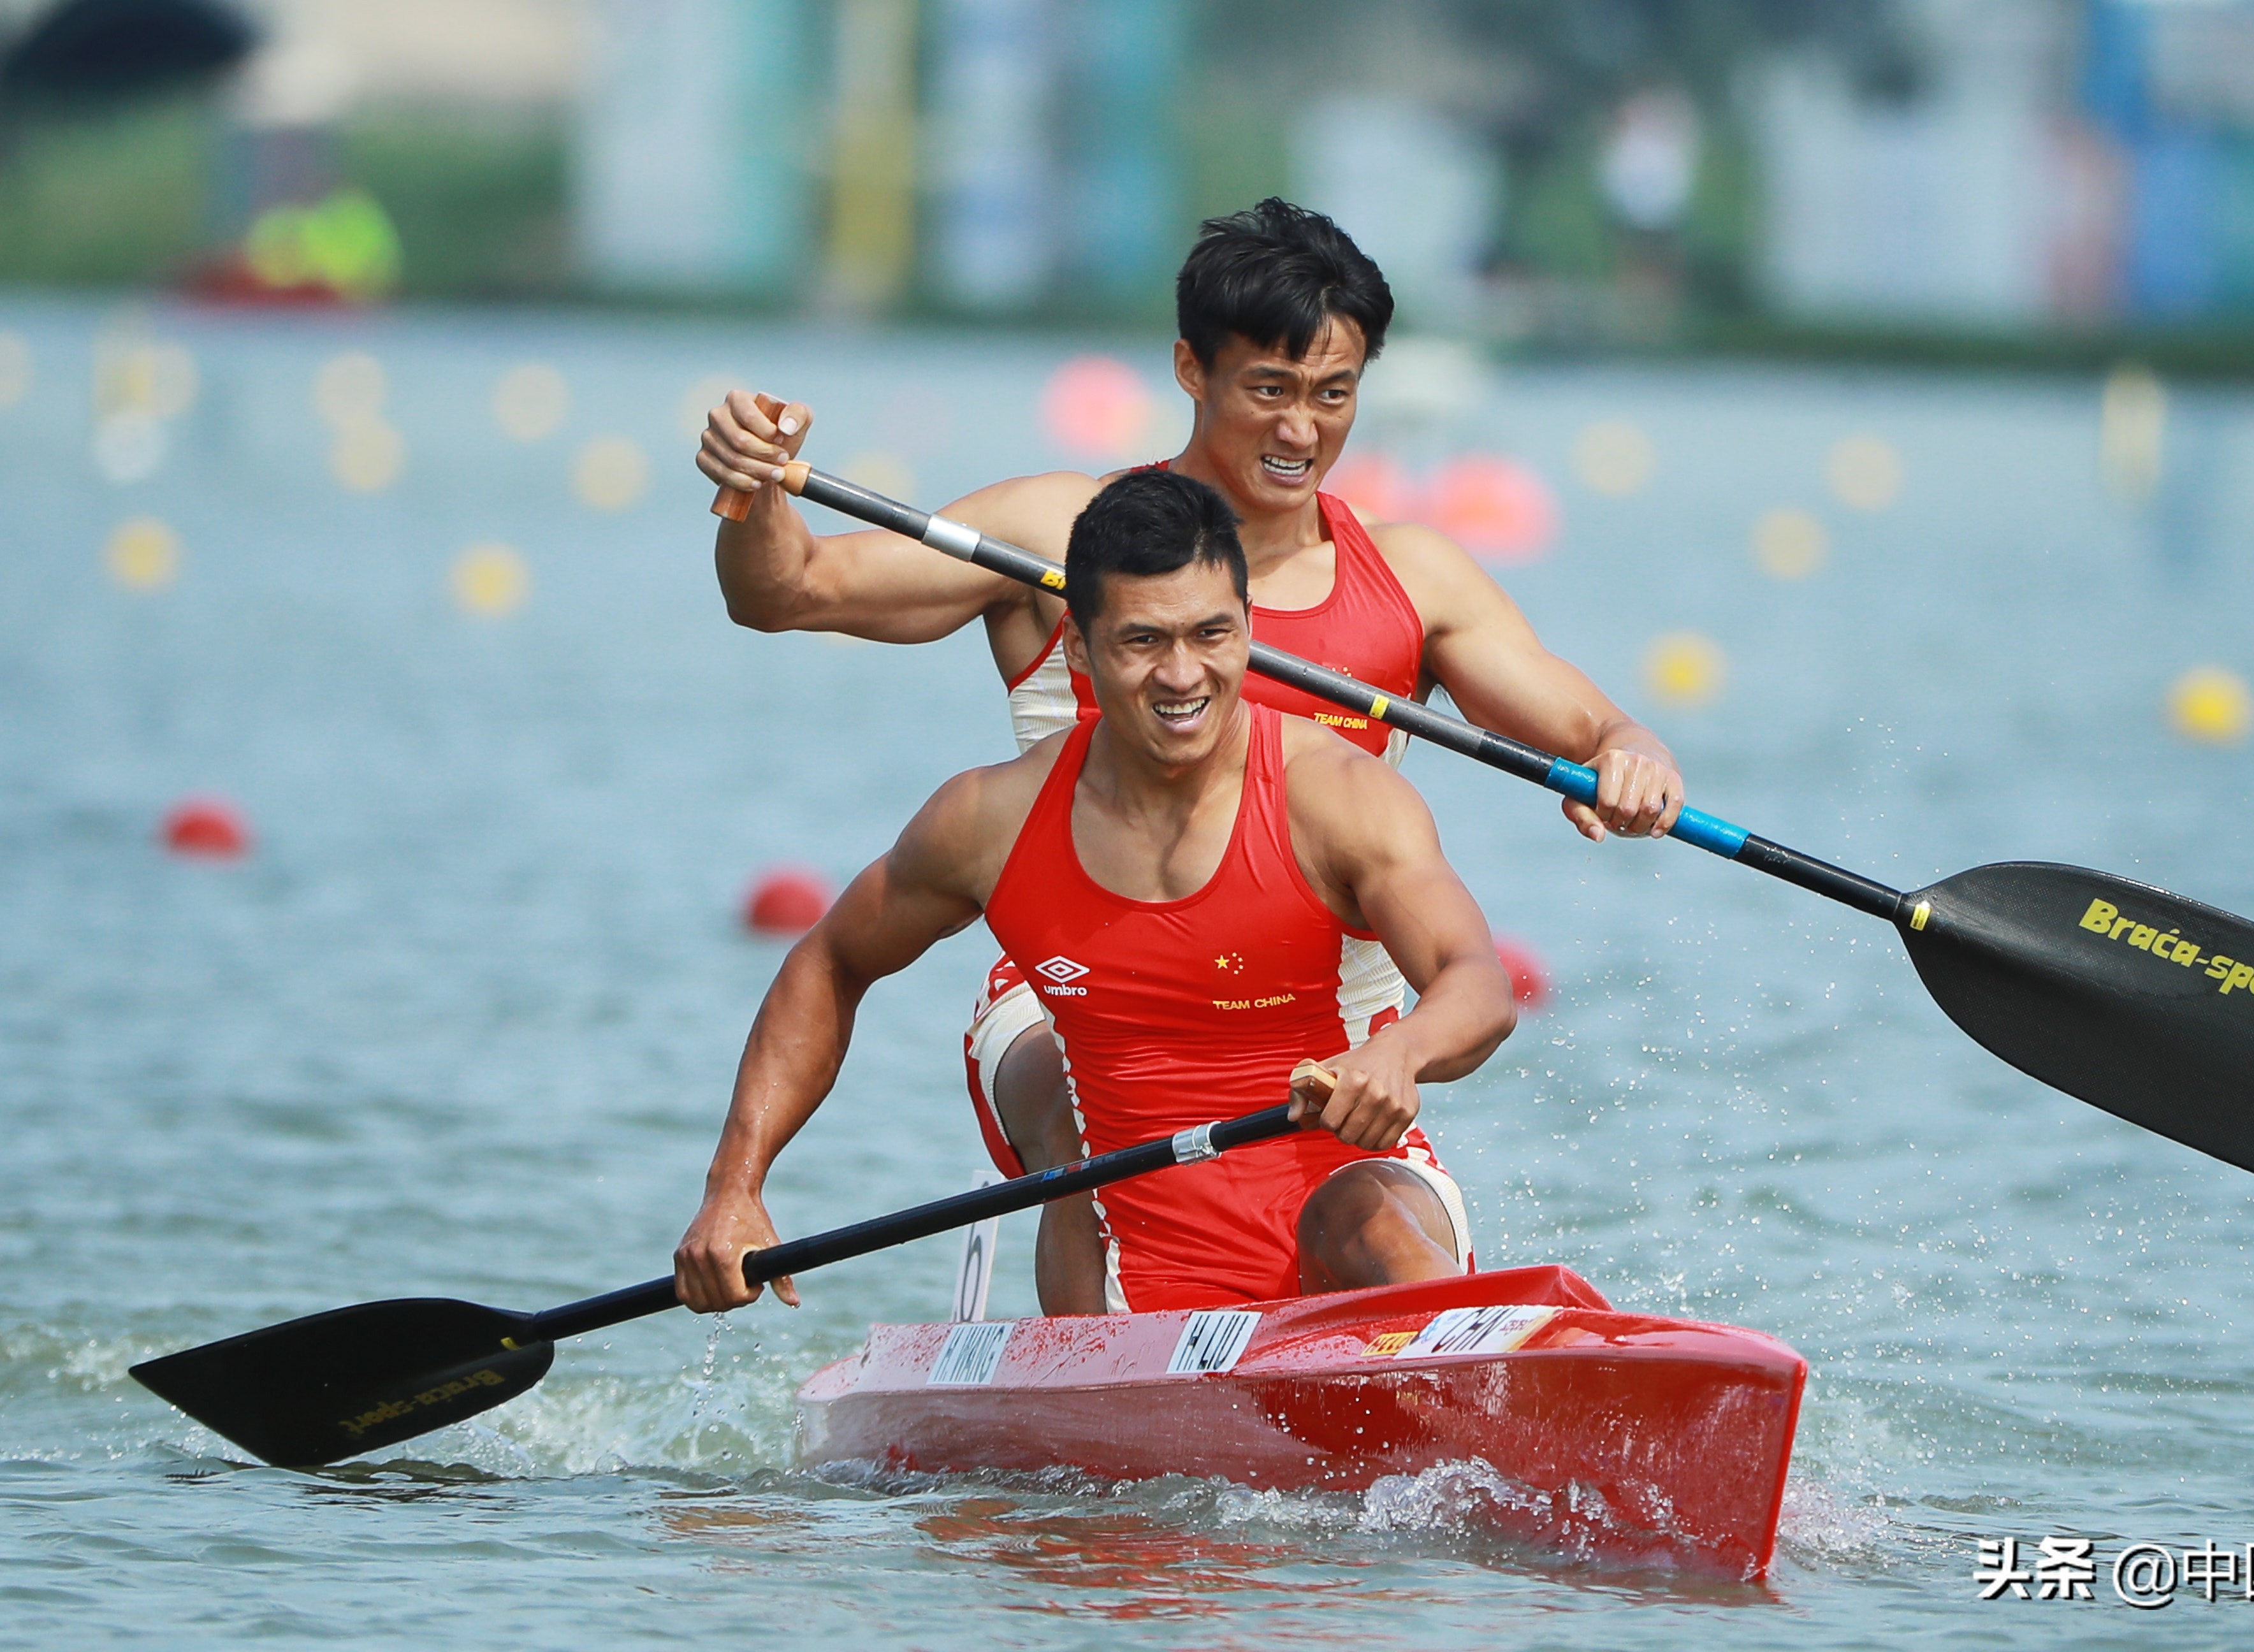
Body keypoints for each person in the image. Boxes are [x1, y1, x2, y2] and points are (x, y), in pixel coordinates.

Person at [696, 198, 1676, 1309]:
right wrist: (756, 494)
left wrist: (1631, 753)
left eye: (1334, 395)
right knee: (1072, 1116)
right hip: (1077, 990)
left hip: (1320, 1017)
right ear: (1189, 370)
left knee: (1375, 1231)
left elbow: (1594, 732)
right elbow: (792, 592)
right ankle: (1087, 1393)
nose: (1301, 432)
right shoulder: (1056, 531)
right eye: (1269, 390)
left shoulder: (1415, 580)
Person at [673, 470, 1515, 1317]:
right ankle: (1076, 1390)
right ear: (1078, 647)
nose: (1184, 676)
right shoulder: (990, 821)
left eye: (1212, 634)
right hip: (1141, 1268)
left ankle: (1472, 1354)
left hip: (1368, 1223)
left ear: (1250, 627)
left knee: (1355, 1216)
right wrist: (733, 1187)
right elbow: (830, 961)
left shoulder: (1340, 796)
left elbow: (1474, 978)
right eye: (1144, 641)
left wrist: (1398, 1054)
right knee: (1072, 1173)